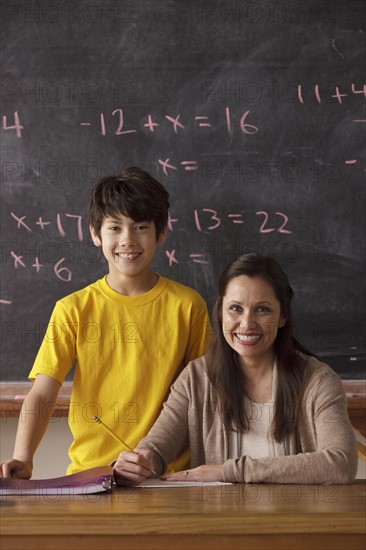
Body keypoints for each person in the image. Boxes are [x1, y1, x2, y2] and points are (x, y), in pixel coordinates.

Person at [0, 166, 210, 479]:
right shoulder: (73, 309)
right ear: (96, 234)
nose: (128, 239)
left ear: (161, 232)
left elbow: (204, 395)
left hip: (169, 475)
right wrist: (23, 457)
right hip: (93, 475)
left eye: (140, 227)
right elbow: (43, 394)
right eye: (115, 227)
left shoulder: (188, 306)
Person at [114, 254, 358, 485]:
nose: (247, 323)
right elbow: (157, 448)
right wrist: (140, 462)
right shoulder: (196, 378)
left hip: (295, 522)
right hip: (218, 524)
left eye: (262, 309)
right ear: (220, 312)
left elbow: (340, 463)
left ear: (283, 315)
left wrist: (228, 471)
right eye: (235, 308)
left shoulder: (318, 381)